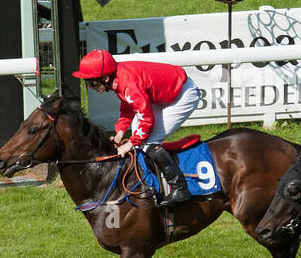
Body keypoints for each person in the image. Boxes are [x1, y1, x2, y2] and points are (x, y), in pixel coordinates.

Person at [72, 49, 204, 205]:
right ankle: (151, 180)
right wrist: (120, 133)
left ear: (105, 78)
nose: (90, 87)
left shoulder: (127, 83)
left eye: (92, 82)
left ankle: (179, 187)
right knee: (139, 135)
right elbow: (128, 107)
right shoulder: (119, 78)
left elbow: (146, 119)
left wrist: (129, 144)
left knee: (148, 141)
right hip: (166, 94)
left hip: (183, 95)